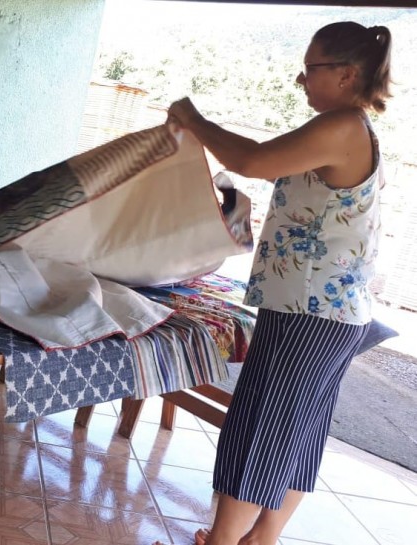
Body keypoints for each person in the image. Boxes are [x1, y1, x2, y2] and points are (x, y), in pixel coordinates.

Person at [159, 21, 392, 545]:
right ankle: (261, 537)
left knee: (262, 429)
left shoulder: (344, 127)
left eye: (310, 69)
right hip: (328, 314)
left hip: (310, 313)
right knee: (297, 432)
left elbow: (252, 161)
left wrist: (194, 119)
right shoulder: (349, 128)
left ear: (347, 74)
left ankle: (224, 542)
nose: (301, 79)